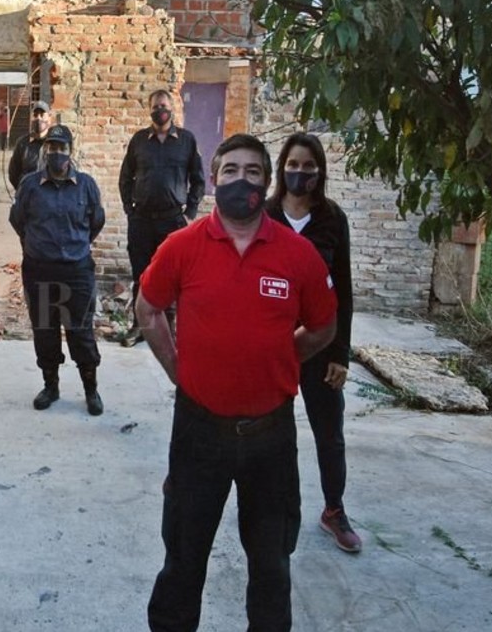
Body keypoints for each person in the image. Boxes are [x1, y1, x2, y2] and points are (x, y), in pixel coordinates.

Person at [138, 134, 337, 631]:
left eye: (252, 171)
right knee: (183, 559)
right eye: (231, 171)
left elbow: (323, 327)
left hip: (271, 438)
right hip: (199, 432)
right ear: (213, 178)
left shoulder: (298, 255)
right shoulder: (182, 247)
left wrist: (280, 358)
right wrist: (179, 370)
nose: (241, 180)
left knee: (271, 565)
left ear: (266, 181)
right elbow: (148, 309)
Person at [264, 132, 359, 553]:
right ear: (281, 167)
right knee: (268, 431)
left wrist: (341, 353)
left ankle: (334, 510)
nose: (299, 172)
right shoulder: (263, 215)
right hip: (274, 345)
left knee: (328, 432)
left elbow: (344, 289)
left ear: (320, 171)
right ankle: (269, 507)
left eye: (308, 166)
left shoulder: (332, 219)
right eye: (293, 164)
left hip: (319, 346)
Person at [8, 124, 105, 416]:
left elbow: (96, 222)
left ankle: (91, 389)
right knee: (45, 331)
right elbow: (18, 221)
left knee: (81, 332)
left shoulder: (86, 185)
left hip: (77, 270)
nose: (56, 153)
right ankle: (51, 386)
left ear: (70, 152)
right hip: (39, 270)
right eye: (52, 148)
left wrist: (75, 245)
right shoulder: (30, 184)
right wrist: (36, 245)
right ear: (45, 151)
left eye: (62, 148)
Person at [118, 88, 206, 347]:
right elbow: (125, 178)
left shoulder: (187, 141)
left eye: (164, 105)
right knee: (141, 276)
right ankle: (140, 327)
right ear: (150, 109)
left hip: (173, 221)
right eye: (155, 106)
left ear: (173, 108)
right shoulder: (139, 141)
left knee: (172, 276)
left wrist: (190, 212)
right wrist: (129, 210)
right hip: (142, 221)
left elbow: (199, 181)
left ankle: (169, 330)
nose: (160, 110)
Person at [7, 100, 52, 190]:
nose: (38, 118)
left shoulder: (54, 143)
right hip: (28, 196)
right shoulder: (22, 144)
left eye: (42, 115)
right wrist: (23, 189)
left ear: (49, 119)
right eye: (35, 115)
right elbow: (13, 173)